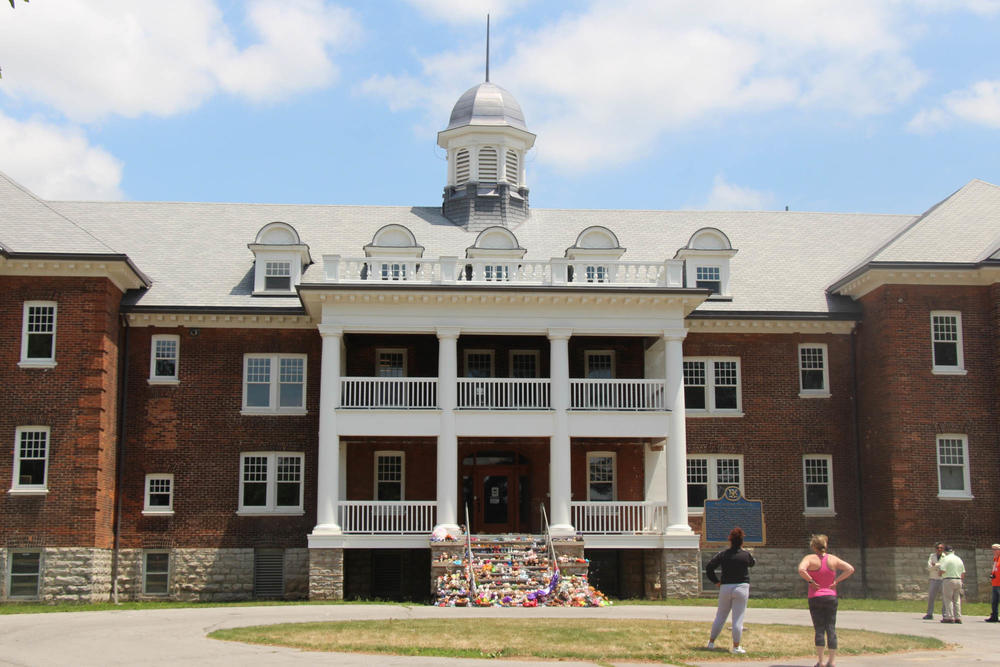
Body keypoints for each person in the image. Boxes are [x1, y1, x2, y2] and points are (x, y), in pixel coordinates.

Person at [798, 534, 855, 667]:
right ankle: (832, 661)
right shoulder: (833, 559)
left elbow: (801, 569)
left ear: (813, 546)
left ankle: (821, 661)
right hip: (830, 596)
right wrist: (837, 581)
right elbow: (850, 569)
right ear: (825, 545)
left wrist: (811, 581)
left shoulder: (809, 559)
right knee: (831, 627)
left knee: (819, 629)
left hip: (815, 596)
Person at [705, 526, 755, 655]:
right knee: (738, 618)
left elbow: (709, 567)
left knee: (720, 616)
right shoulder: (745, 555)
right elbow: (752, 563)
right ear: (742, 541)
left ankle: (711, 642)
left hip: (726, 587)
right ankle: (736, 647)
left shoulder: (723, 554)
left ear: (730, 540)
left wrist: (716, 581)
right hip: (742, 587)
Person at [938, 545, 965, 623]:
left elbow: (942, 570)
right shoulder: (958, 559)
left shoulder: (945, 559)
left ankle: (949, 617)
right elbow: (963, 572)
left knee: (948, 599)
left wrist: (939, 573)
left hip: (948, 579)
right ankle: (958, 617)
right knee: (957, 599)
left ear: (945, 552)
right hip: (958, 579)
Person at [924, 542, 945, 620]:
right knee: (931, 597)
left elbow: (944, 566)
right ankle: (929, 614)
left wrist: (935, 565)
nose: (939, 549)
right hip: (933, 578)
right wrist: (938, 565)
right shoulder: (932, 556)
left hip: (942, 579)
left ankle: (945, 614)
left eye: (941, 548)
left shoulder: (945, 557)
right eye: (938, 548)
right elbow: (929, 567)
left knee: (945, 598)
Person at [988, 543, 1000, 623]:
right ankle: (994, 616)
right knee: (994, 601)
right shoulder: (995, 559)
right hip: (995, 583)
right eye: (993, 549)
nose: (993, 551)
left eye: (995, 549)